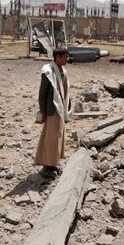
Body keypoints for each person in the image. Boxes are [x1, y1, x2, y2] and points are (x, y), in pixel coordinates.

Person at [35, 47, 71, 179]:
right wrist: (43, 111)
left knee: (58, 138)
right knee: (51, 138)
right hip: (52, 109)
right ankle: (47, 165)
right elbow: (42, 94)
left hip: (60, 109)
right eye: (65, 57)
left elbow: (66, 90)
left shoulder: (63, 71)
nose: (67, 59)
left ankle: (53, 162)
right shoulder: (48, 72)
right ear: (58, 57)